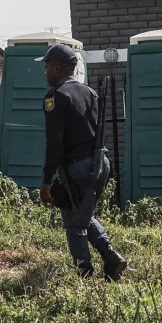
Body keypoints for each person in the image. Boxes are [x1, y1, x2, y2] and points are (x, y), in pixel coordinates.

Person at [38, 44, 126, 281]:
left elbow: (54, 143)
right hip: (100, 164)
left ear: (58, 68)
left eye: (47, 67)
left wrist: (46, 181)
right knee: (81, 212)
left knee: (74, 222)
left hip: (77, 166)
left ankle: (84, 271)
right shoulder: (90, 92)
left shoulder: (56, 96)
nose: (45, 72)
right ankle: (111, 257)